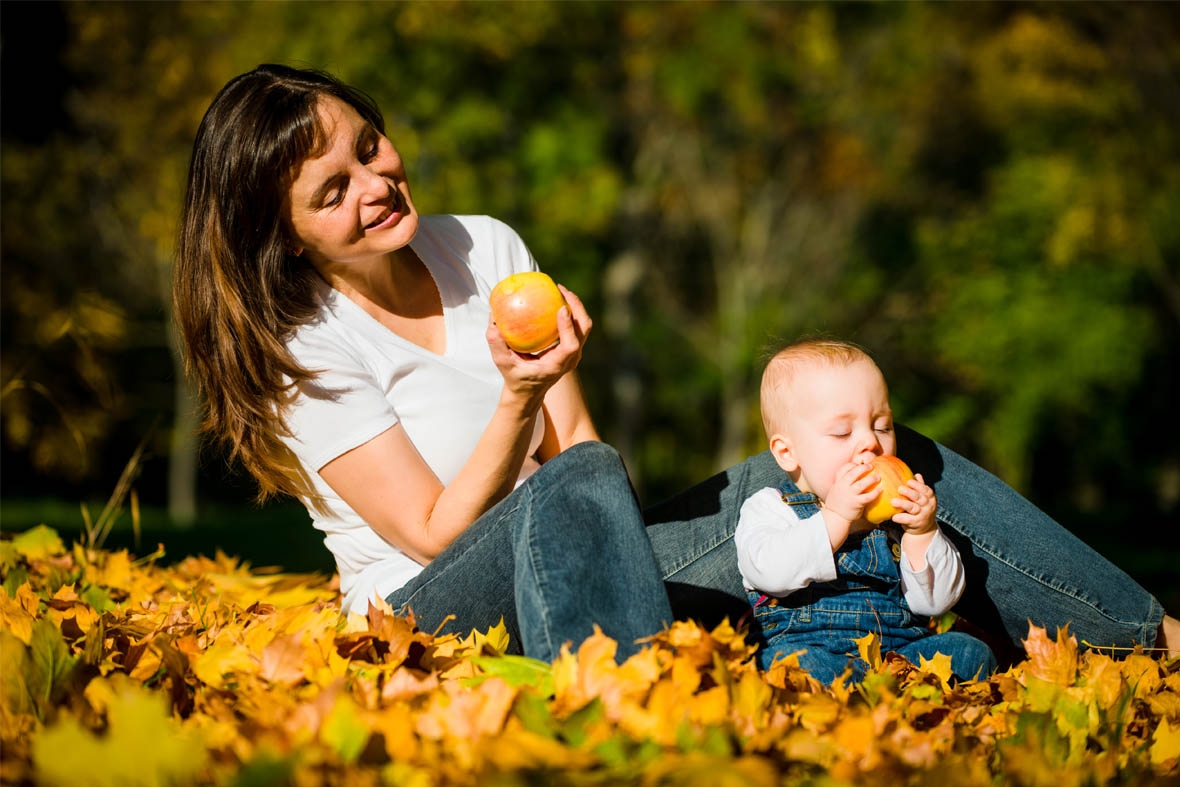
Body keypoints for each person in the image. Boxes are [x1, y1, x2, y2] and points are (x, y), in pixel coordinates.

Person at [173, 63, 1180, 669]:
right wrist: (522, 399)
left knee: (864, 448)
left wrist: (795, 497)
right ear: (287, 234)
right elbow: (436, 534)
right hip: (436, 613)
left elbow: (591, 457)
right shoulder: (297, 345)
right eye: (332, 188)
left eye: (369, 144)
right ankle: (642, 705)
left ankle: (1152, 634)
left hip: (587, 553)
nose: (376, 181)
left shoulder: (480, 244)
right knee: (572, 488)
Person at [735, 339, 996, 683]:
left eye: (882, 426)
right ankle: (854, 705)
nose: (870, 443)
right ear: (787, 453)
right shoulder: (771, 507)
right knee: (788, 664)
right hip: (812, 649)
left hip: (897, 657)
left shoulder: (894, 515)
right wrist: (835, 518)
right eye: (843, 432)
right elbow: (768, 571)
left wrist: (923, 532)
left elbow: (935, 603)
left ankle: (894, 699)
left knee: (968, 652)